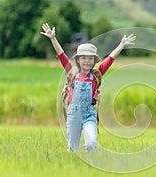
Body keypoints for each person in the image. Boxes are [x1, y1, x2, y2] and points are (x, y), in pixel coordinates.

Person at [40, 23, 136, 152]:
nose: (87, 61)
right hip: (74, 113)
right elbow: (61, 54)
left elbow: (111, 58)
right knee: (72, 148)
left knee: (91, 144)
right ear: (78, 60)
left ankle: (90, 166)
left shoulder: (97, 74)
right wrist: (53, 38)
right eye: (84, 58)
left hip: (89, 114)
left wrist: (122, 44)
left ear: (94, 61)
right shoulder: (72, 72)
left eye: (90, 58)